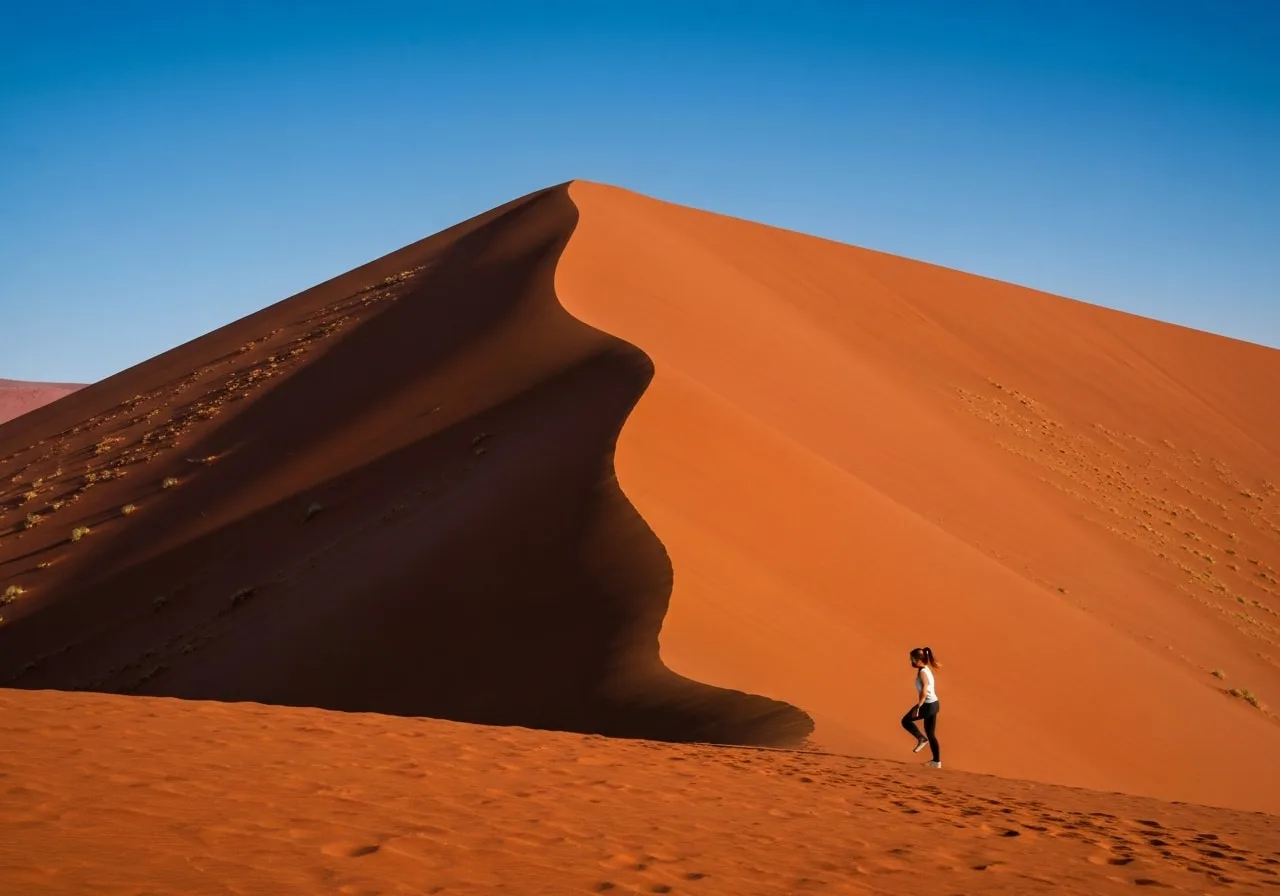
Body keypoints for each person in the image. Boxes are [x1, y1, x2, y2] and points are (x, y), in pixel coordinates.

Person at [901, 646, 941, 767]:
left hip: (928, 705)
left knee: (905, 721)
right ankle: (936, 762)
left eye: (912, 659)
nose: (911, 662)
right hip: (934, 704)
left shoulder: (923, 672)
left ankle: (921, 739)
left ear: (919, 660)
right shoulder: (926, 669)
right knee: (931, 733)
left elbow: (924, 688)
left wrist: (919, 705)